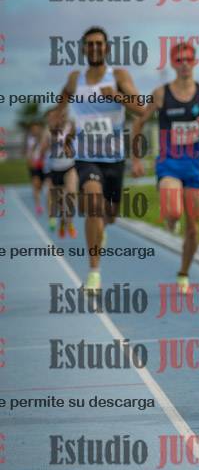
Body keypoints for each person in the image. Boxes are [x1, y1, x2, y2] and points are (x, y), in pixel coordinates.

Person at [131, 41, 199, 290]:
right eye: (179, 60)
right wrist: (136, 158)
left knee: (193, 229)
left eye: (188, 60)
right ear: (173, 64)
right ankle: (171, 219)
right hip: (169, 163)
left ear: (195, 62)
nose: (184, 64)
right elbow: (139, 122)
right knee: (173, 211)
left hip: (195, 165)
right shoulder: (161, 93)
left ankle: (183, 273)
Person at [56, 26, 143, 293]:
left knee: (110, 216)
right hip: (85, 156)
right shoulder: (75, 78)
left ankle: (102, 229)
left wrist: (117, 96)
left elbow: (141, 108)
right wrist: (61, 125)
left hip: (114, 157)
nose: (95, 48)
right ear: (84, 48)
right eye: (90, 44)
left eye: (99, 44)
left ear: (107, 48)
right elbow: (62, 101)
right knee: (93, 203)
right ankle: (94, 272)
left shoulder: (118, 75)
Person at [43, 106, 78, 238]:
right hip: (54, 169)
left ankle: (70, 223)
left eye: (63, 115)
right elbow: (43, 149)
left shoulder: (70, 126)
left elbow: (73, 138)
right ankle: (58, 219)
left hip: (69, 167)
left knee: (71, 194)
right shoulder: (48, 131)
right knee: (60, 201)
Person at [25, 121, 47, 215]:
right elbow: (29, 153)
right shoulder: (30, 140)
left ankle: (47, 203)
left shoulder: (44, 138)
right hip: (34, 165)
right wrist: (30, 162)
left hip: (44, 165)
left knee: (42, 186)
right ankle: (38, 206)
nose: (35, 130)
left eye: (36, 129)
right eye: (33, 129)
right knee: (36, 185)